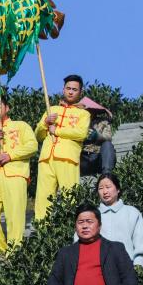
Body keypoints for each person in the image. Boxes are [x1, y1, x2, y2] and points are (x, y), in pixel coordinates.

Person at [44, 203, 138, 285]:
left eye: (89, 221)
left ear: (99, 225)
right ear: (75, 226)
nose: (84, 226)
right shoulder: (66, 253)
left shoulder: (115, 248)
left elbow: (129, 278)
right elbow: (55, 281)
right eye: (80, 222)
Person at [0, 97, 38, 259]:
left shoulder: (21, 126)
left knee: (15, 214)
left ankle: (15, 251)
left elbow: (32, 146)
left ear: (8, 108)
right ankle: (1, 249)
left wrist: (11, 155)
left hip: (15, 175)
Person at [34, 75, 91, 220]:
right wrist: (45, 123)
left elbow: (81, 133)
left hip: (68, 158)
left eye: (74, 89)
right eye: (68, 88)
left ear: (80, 92)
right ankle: (42, 232)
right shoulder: (52, 109)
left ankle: (70, 231)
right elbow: (38, 135)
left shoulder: (83, 114)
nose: (71, 92)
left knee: (70, 197)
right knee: (43, 199)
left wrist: (57, 131)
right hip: (46, 158)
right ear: (63, 89)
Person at [75, 173, 143, 267]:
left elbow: (141, 244)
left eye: (108, 187)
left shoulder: (132, 213)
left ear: (118, 189)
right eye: (101, 188)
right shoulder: (91, 215)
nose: (105, 192)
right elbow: (79, 241)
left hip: (127, 268)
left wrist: (137, 267)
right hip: (97, 269)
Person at [79, 97, 116, 175]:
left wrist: (96, 136)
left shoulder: (103, 122)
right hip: (83, 159)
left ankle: (107, 173)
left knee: (108, 145)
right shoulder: (76, 123)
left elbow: (108, 137)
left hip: (98, 157)